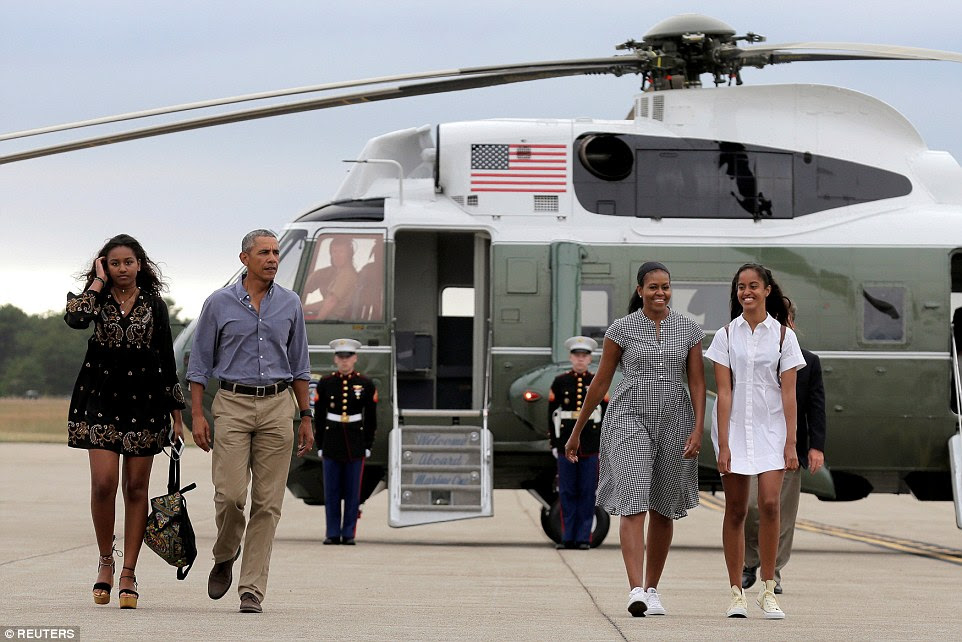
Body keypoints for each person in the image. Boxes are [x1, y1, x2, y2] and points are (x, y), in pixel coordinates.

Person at [565, 262, 706, 617]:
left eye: (666, 287)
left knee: (662, 507)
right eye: (653, 287)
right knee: (633, 501)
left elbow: (698, 384)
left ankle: (654, 588)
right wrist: (577, 430)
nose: (661, 293)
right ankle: (636, 590)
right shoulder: (621, 329)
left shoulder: (689, 330)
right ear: (640, 290)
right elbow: (600, 382)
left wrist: (697, 428)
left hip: (676, 420)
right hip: (629, 419)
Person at [186, 229, 314, 614]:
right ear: (244, 259)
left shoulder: (290, 304)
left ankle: (251, 589)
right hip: (232, 403)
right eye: (264, 252)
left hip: (278, 406)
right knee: (229, 495)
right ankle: (225, 553)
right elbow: (199, 362)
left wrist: (305, 416)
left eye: (276, 252)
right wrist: (196, 414)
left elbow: (301, 366)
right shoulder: (218, 303)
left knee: (267, 503)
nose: (273, 258)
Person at [65, 233, 185, 609]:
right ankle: (105, 561)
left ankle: (129, 572)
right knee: (104, 483)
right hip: (99, 400)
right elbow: (74, 318)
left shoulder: (154, 304)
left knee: (136, 488)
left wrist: (176, 417)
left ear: (140, 265)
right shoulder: (94, 299)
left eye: (128, 262)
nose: (122, 269)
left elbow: (167, 359)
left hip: (145, 403)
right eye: (113, 263)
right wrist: (96, 282)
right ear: (105, 265)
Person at [705, 263, 805, 619]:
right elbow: (724, 392)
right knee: (736, 509)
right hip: (734, 428)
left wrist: (791, 442)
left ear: (766, 291)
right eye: (741, 287)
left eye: (753, 286)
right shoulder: (725, 336)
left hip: (772, 430)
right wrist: (724, 444)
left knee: (770, 504)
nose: (746, 292)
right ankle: (736, 593)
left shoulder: (783, 336)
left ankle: (767, 587)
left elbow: (790, 394)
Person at [742, 298, 826, 595]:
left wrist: (815, 446)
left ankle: (772, 572)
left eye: (784, 317)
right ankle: (749, 561)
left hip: (788, 449)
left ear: (791, 322)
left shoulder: (808, 361)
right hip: (752, 444)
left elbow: (816, 408)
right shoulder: (750, 355)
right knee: (752, 505)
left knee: (781, 513)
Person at [315, 338, 378, 545]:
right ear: (335, 359)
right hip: (332, 442)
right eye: (341, 357)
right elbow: (320, 416)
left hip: (355, 442)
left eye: (348, 357)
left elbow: (370, 418)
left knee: (352, 492)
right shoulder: (325, 383)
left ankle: (348, 533)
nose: (344, 361)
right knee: (331, 491)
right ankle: (332, 533)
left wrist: (367, 445)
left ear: (355, 358)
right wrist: (321, 444)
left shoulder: (366, 384)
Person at [548, 336, 606, 550]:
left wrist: (603, 445)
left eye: (584, 356)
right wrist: (554, 444)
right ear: (571, 358)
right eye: (577, 356)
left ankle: (583, 538)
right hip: (565, 444)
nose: (580, 360)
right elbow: (552, 415)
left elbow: (604, 416)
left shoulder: (597, 381)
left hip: (590, 446)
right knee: (567, 492)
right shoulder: (560, 382)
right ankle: (567, 537)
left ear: (590, 359)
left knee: (587, 492)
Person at [303, 235, 358, 320]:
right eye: (334, 251)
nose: (337, 255)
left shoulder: (347, 274)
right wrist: (304, 307)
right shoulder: (335, 272)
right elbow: (326, 302)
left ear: (349, 254)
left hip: (333, 319)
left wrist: (317, 322)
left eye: (341, 251)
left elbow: (331, 302)